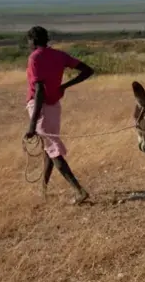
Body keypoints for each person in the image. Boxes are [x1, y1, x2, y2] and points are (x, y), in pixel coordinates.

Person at [24, 26, 94, 204]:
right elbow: (87, 70)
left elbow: (39, 90)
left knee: (52, 149)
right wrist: (64, 86)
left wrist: (32, 124)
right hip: (54, 106)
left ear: (32, 40)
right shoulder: (59, 55)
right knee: (50, 147)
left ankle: (79, 190)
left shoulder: (34, 57)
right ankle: (43, 189)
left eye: (28, 41)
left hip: (41, 108)